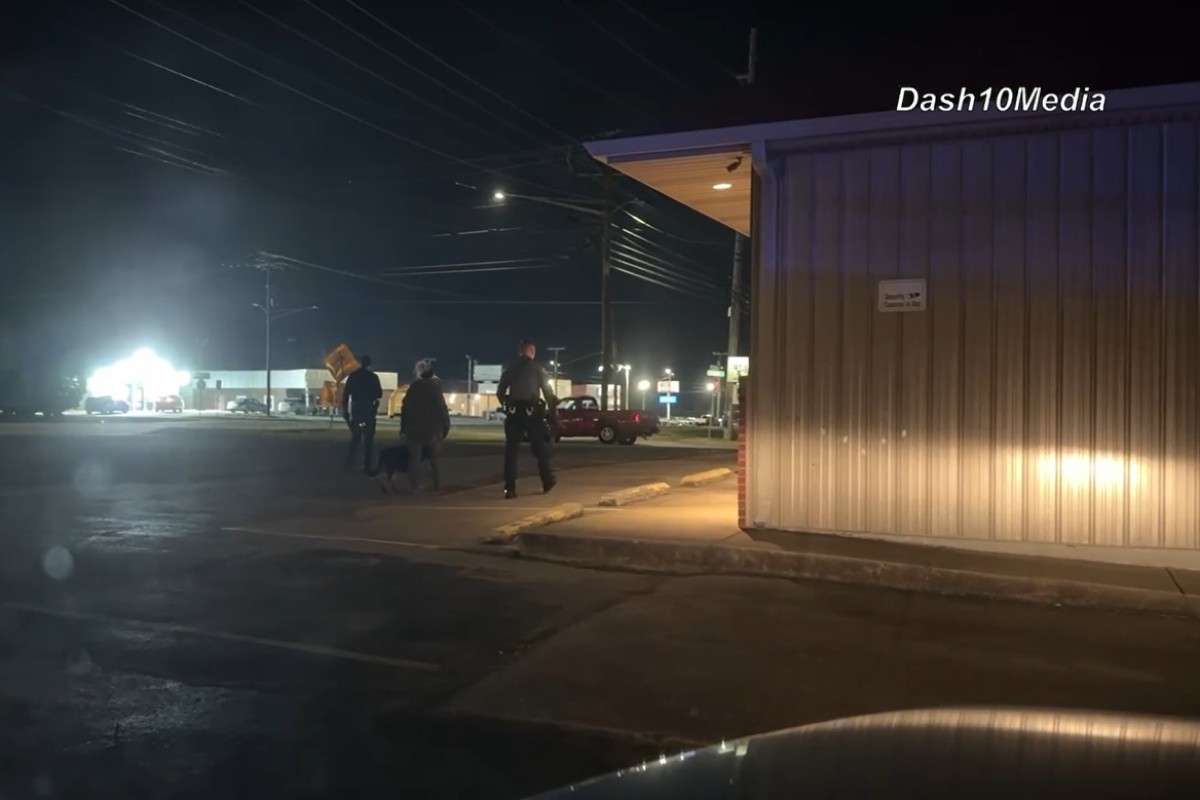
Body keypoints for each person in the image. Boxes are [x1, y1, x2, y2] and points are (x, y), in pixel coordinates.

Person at [496, 339, 557, 499]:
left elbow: (500, 392)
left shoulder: (510, 369)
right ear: (531, 352)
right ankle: (547, 481)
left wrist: (507, 404)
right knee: (539, 450)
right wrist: (553, 412)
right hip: (532, 414)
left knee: (511, 452)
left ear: (519, 352)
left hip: (514, 413)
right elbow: (548, 393)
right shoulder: (537, 369)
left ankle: (510, 488)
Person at [400, 359, 450, 492]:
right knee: (434, 458)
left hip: (414, 428)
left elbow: (405, 407)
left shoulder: (413, 387)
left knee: (414, 458)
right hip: (432, 429)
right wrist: (445, 427)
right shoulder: (435, 388)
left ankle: (414, 486)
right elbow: (441, 409)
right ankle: (437, 485)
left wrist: (403, 427)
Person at [342, 355, 382, 473]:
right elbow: (379, 393)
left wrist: (345, 410)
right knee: (369, 439)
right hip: (369, 409)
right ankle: (367, 465)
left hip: (357, 408)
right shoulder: (373, 377)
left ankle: (349, 463)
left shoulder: (353, 376)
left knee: (356, 437)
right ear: (369, 364)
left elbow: (346, 394)